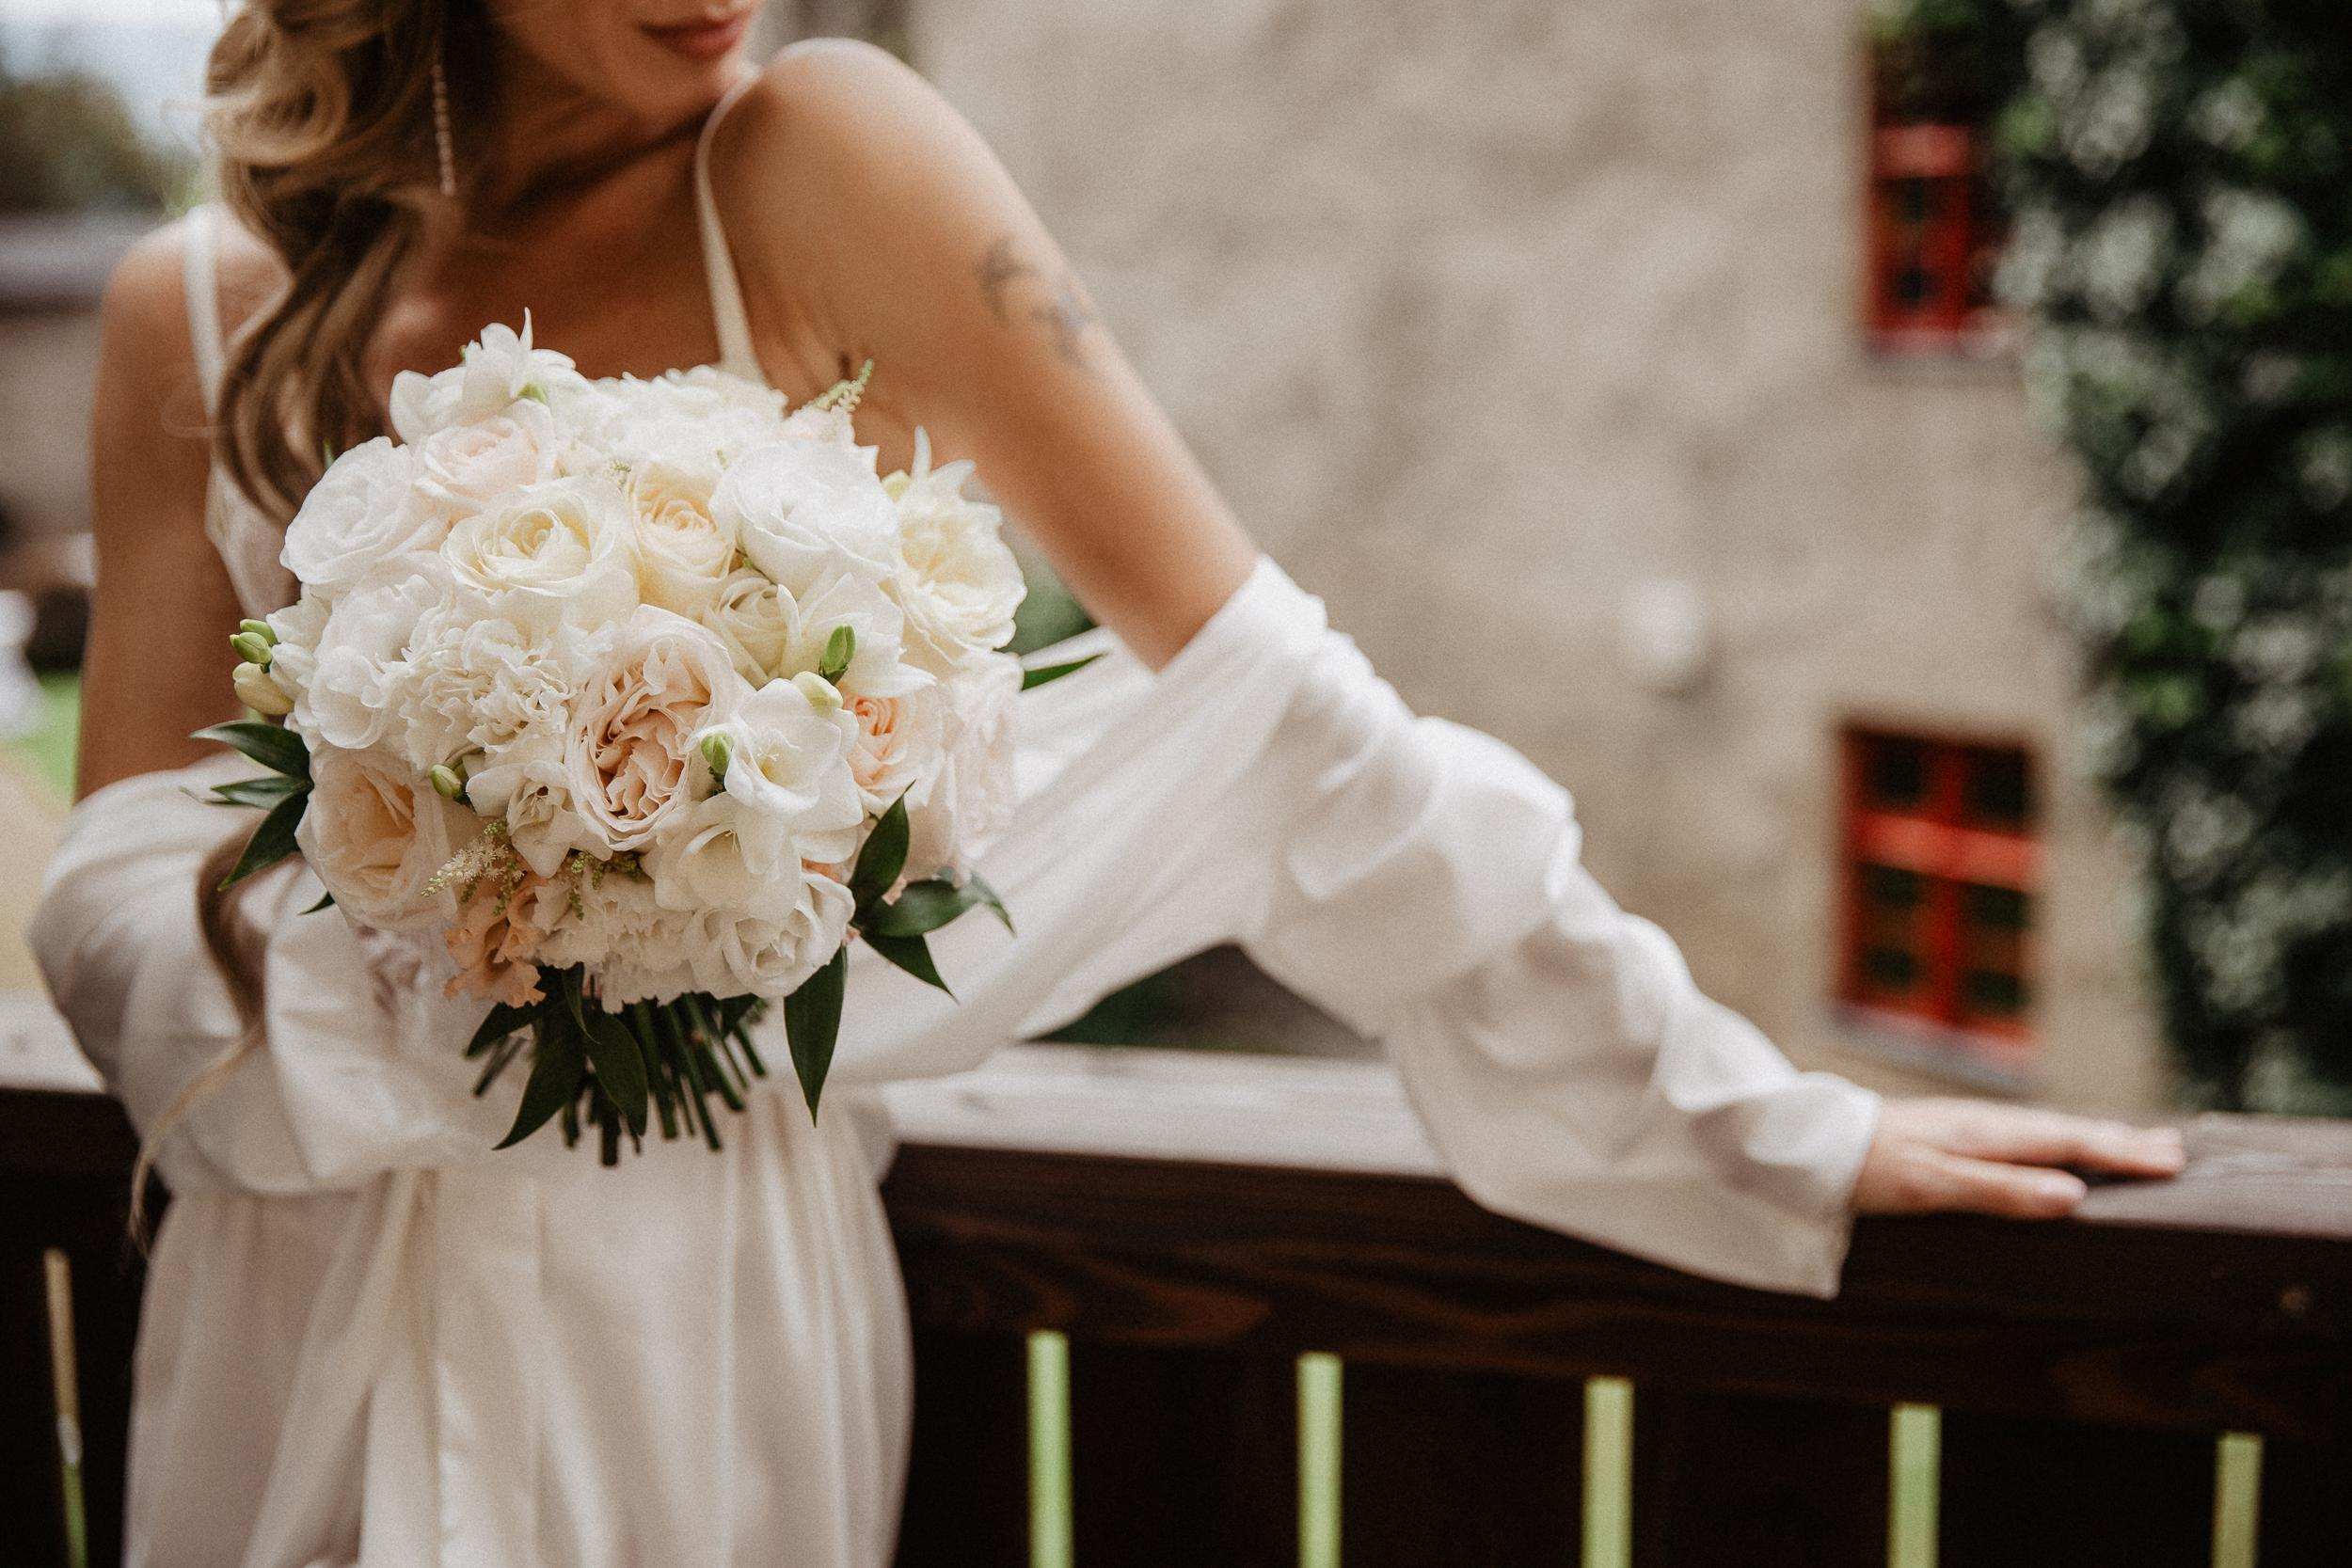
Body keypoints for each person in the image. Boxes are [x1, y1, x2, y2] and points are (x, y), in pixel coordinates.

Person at [34, 5, 2186, 1564]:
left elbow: (1275, 710)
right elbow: (120, 862)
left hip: (685, 1285)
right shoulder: (190, 312)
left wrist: (1769, 1124)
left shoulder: (809, 149)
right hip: (282, 1264)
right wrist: (421, 984)